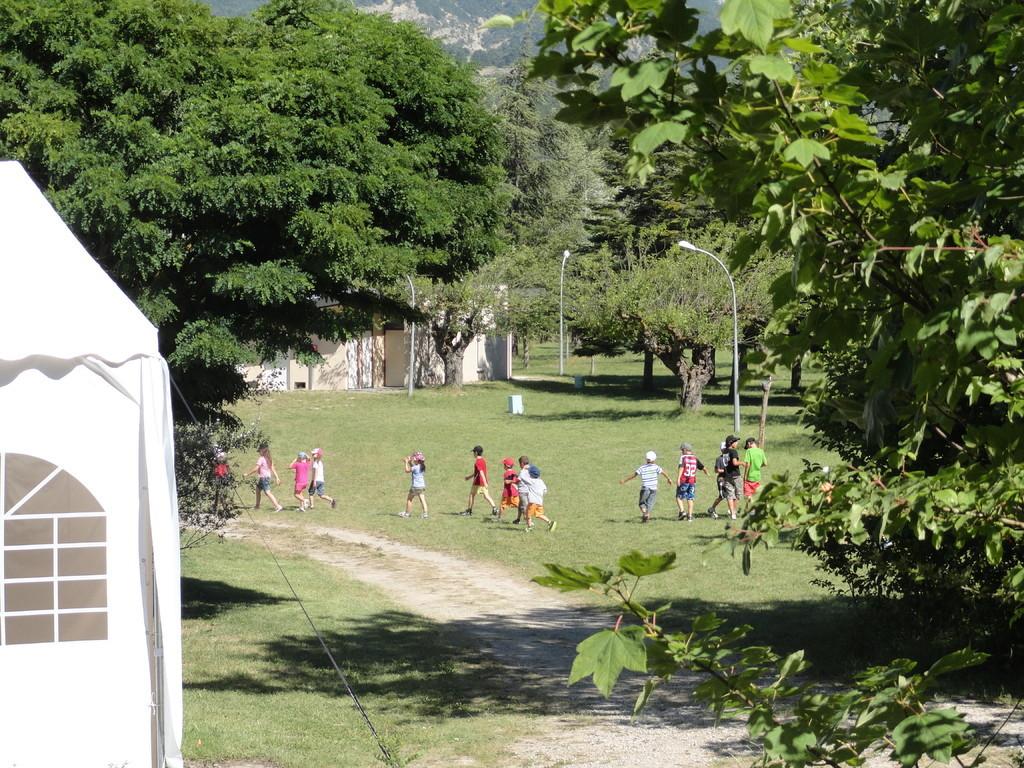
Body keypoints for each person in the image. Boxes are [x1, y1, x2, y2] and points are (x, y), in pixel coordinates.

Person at [620, 450, 674, 523]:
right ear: (654, 459)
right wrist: (669, 479)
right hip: (654, 489)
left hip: (645, 488)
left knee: (641, 503)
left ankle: (645, 514)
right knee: (649, 504)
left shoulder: (642, 468)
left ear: (646, 459)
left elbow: (634, 475)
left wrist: (624, 480)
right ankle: (647, 515)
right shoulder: (656, 467)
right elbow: (663, 472)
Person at [675, 443, 710, 521]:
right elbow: (703, 467)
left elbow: (681, 467)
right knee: (690, 498)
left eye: (682, 450)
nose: (681, 452)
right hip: (692, 482)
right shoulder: (695, 458)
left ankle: (682, 511)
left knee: (678, 497)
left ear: (685, 450)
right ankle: (690, 516)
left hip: (684, 480)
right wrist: (707, 472)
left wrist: (678, 478)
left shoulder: (683, 457)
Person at [245, 444, 282, 512]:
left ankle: (278, 506)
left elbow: (256, 468)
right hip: (265, 477)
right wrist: (277, 477)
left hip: (264, 478)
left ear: (262, 451)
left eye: (259, 451)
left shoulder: (261, 458)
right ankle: (257, 506)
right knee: (258, 490)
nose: (259, 452)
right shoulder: (269, 458)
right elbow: (273, 468)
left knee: (268, 492)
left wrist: (247, 474)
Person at [462, 445, 498, 516]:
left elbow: (481, 472)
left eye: (473, 452)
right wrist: (469, 477)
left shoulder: (477, 462)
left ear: (476, 452)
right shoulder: (483, 460)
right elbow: (477, 472)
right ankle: (494, 508)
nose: (473, 454)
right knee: (486, 496)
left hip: (478, 482)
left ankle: (469, 510)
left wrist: (484, 482)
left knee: (472, 495)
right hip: (482, 481)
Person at [524, 464, 556, 532]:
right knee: (539, 514)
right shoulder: (541, 481)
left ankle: (529, 527)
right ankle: (550, 522)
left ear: (531, 474)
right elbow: (545, 491)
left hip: (532, 502)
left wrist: (524, 469)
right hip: (540, 501)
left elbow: (522, 477)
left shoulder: (531, 481)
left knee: (528, 514)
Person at [401, 451, 428, 518]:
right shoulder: (422, 466)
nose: (413, 460)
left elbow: (407, 470)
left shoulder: (415, 467)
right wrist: (410, 462)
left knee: (409, 499)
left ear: (417, 460)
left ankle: (407, 514)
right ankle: (425, 514)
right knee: (423, 500)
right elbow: (414, 468)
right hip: (422, 486)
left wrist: (406, 462)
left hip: (415, 487)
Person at [721, 435, 743, 519]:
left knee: (730, 495)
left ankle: (732, 514)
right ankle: (733, 510)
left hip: (727, 476)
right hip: (735, 476)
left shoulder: (724, 451)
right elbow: (735, 463)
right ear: (731, 443)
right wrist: (743, 463)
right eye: (735, 441)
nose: (737, 443)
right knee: (738, 494)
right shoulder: (733, 451)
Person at [706, 443, 729, 519]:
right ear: (721, 449)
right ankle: (712, 509)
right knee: (722, 496)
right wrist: (725, 470)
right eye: (724, 448)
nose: (725, 450)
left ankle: (731, 511)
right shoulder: (719, 459)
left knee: (731, 495)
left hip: (729, 479)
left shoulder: (730, 458)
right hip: (721, 479)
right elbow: (716, 470)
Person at [513, 455, 532, 524]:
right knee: (520, 506)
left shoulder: (523, 471)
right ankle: (518, 519)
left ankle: (530, 523)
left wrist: (511, 481)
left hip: (523, 492)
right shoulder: (531, 469)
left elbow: (518, 481)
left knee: (525, 508)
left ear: (521, 463)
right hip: (529, 490)